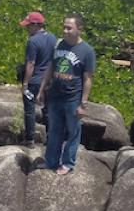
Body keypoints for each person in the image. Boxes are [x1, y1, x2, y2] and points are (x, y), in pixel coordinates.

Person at [37, 14, 96, 174]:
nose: (65, 31)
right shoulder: (58, 45)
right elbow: (50, 67)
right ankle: (51, 161)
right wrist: (42, 90)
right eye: (64, 27)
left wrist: (83, 103)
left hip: (73, 98)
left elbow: (88, 78)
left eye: (69, 28)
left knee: (73, 132)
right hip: (55, 95)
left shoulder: (87, 51)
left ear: (79, 29)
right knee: (54, 130)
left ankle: (68, 163)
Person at [19, 11, 57, 147]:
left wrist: (25, 83)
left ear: (36, 25)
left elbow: (31, 64)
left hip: (35, 81)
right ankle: (50, 139)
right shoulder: (53, 38)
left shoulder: (33, 41)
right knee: (48, 110)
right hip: (50, 81)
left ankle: (30, 140)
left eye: (28, 26)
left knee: (29, 110)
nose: (27, 29)